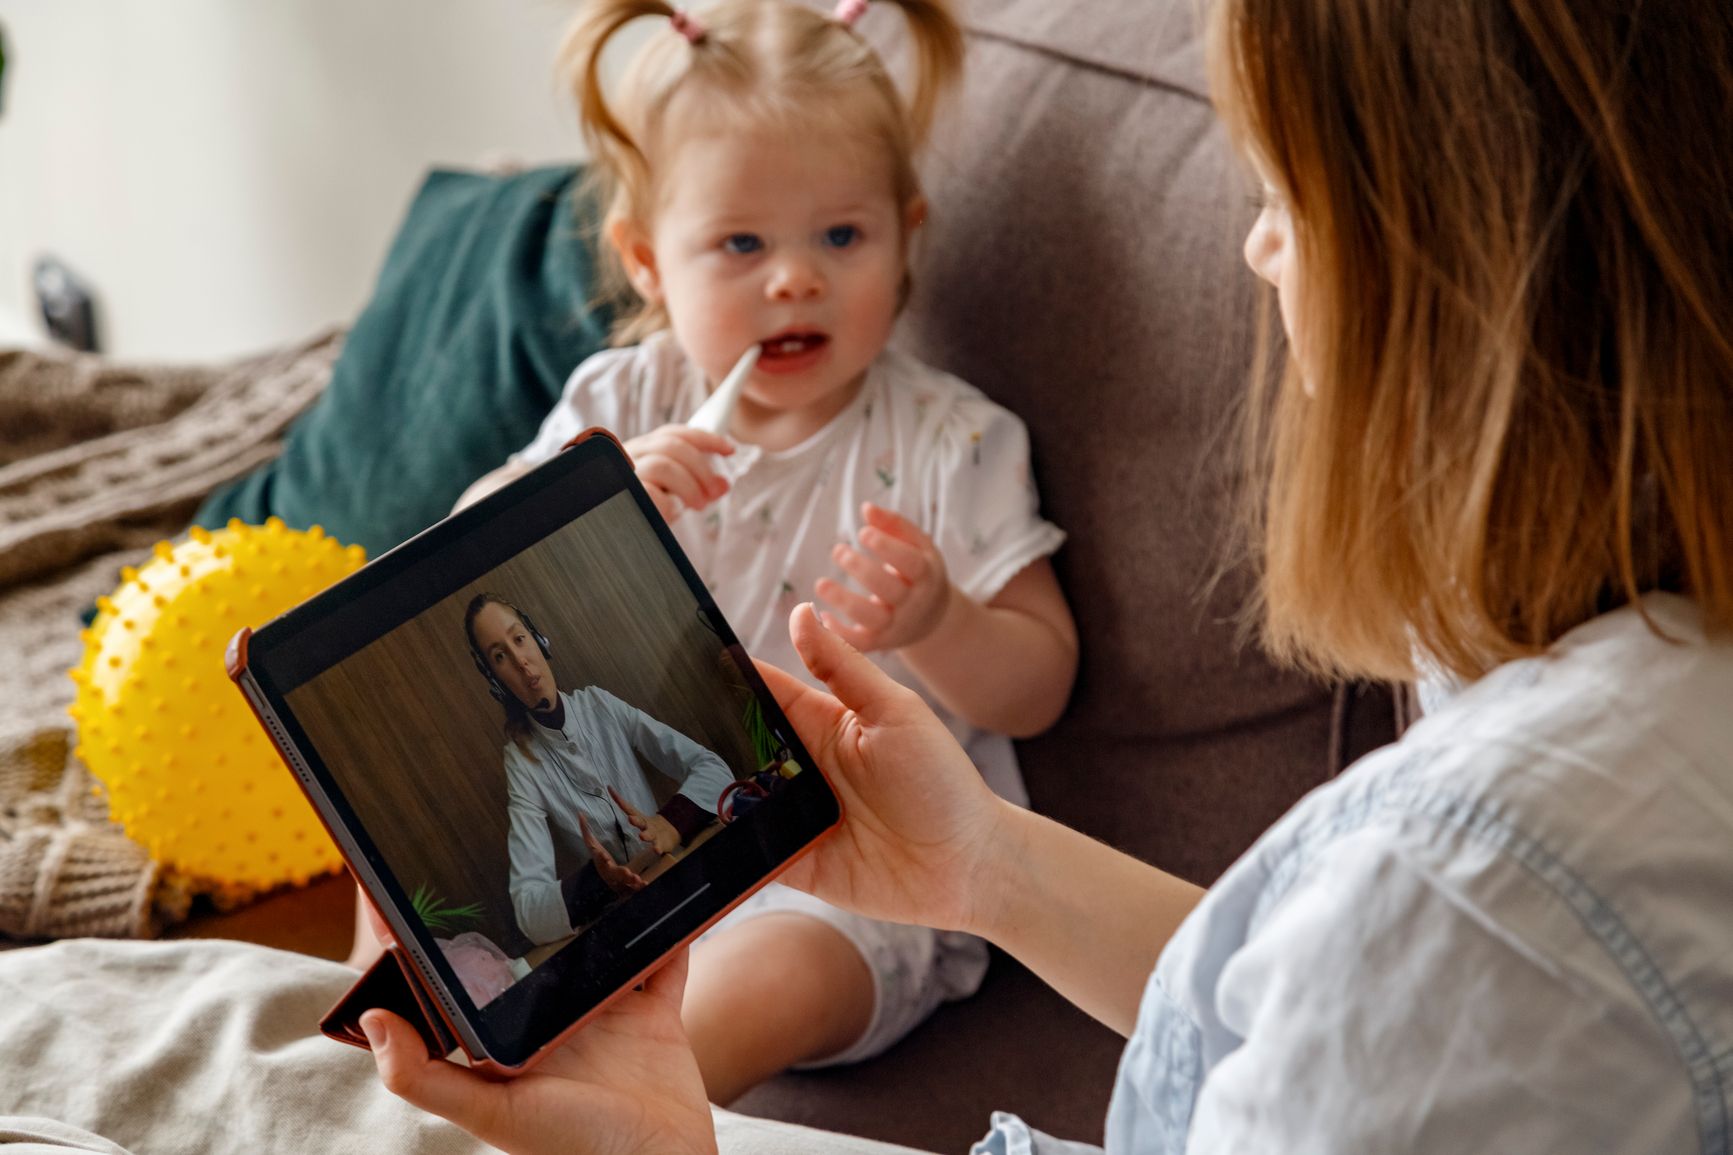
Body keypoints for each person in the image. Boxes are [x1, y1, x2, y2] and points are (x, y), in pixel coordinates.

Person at [358, 0, 1733, 1150]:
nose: (1255, 252)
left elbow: (1388, 979)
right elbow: (1289, 999)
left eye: (1278, 197)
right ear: (648, 265)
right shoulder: (1571, 685)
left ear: (1444, 269)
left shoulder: (1476, 878)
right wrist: (983, 860)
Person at [447, 0, 1081, 1103]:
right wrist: (578, 503)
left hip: (870, 872)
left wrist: (941, 624)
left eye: (841, 237)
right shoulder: (621, 401)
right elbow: (467, 548)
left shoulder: (951, 440)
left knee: (762, 978)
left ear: (905, 233)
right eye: (742, 244)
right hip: (655, 847)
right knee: (449, 930)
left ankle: (614, 1119)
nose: (794, 279)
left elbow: (1040, 687)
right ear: (646, 260)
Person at [466, 593, 737, 945]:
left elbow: (714, 769)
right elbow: (530, 914)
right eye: (500, 656)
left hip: (688, 879)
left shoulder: (599, 704)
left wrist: (670, 823)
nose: (520, 661)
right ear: (494, 680)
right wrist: (600, 881)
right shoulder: (521, 762)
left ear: (539, 640)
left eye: (519, 639)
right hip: (635, 924)